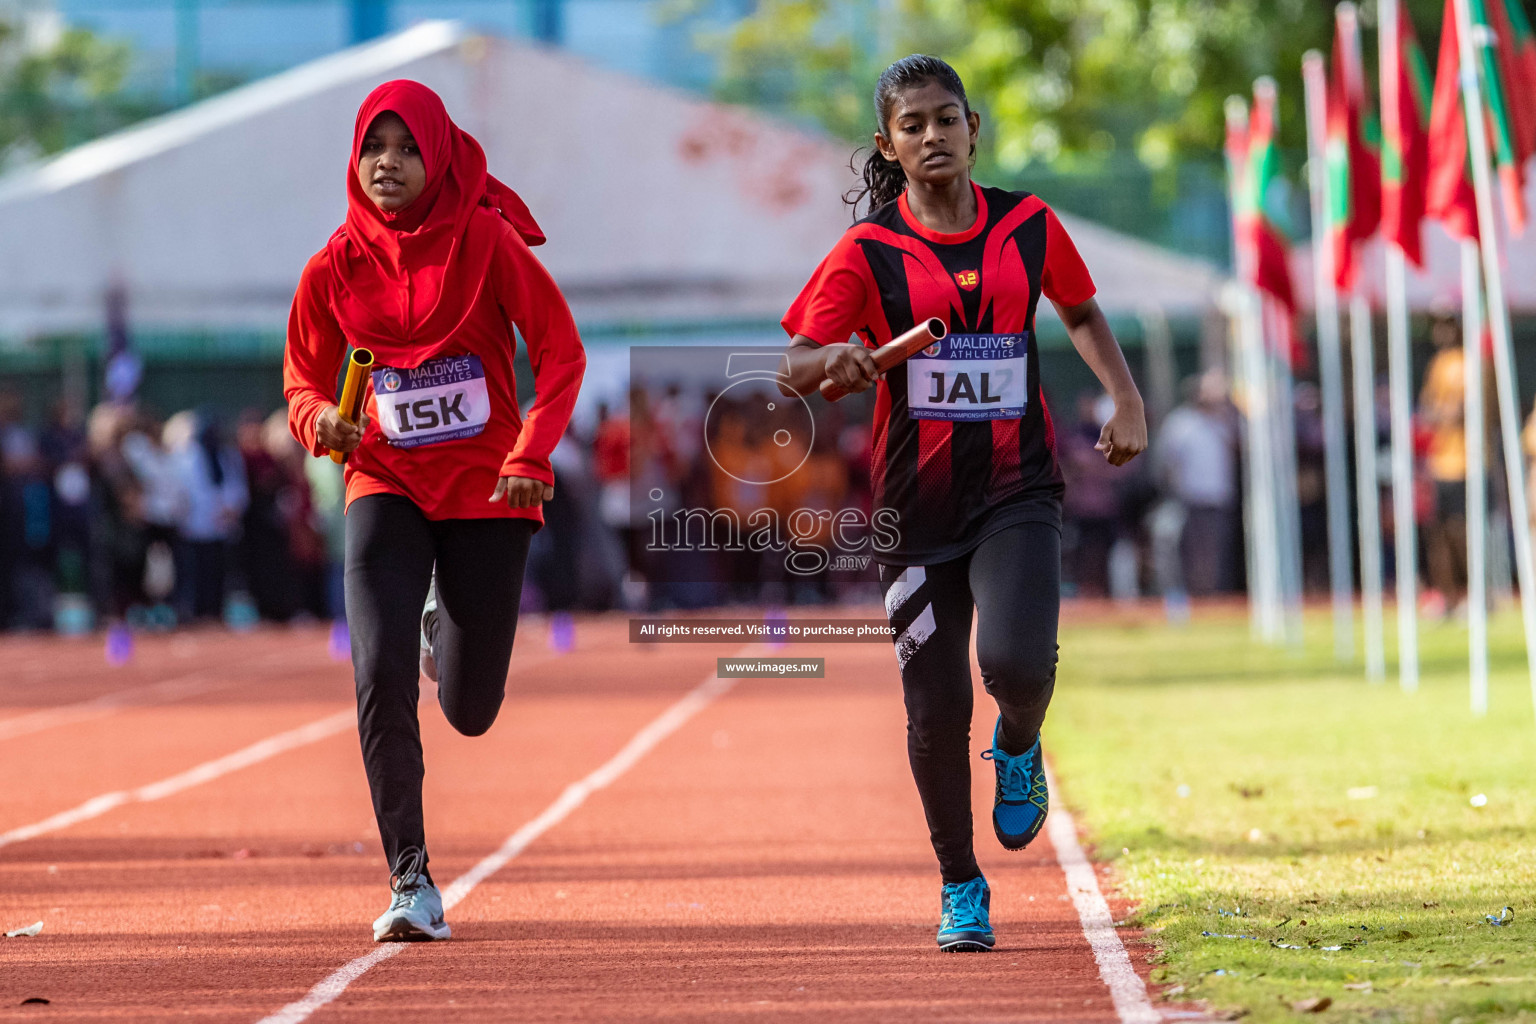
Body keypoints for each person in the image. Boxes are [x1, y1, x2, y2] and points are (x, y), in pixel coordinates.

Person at [777, 55, 1146, 952]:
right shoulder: (867, 255)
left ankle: (1018, 743)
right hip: (913, 512)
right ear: (888, 145)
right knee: (935, 708)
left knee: (1016, 664)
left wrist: (1126, 398)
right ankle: (960, 884)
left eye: (947, 118)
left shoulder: (1028, 224)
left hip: (1017, 486)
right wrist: (838, 361)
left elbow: (1083, 312)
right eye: (914, 125)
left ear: (973, 127)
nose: (933, 135)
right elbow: (794, 365)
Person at [283, 80, 585, 942]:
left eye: (408, 147)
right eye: (374, 147)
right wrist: (321, 421)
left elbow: (561, 354)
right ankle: (409, 878)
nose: (389, 163)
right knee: (376, 673)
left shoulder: (488, 243)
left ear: (439, 155)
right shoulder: (333, 266)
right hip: (384, 482)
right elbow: (301, 378)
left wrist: (528, 453)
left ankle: (439, 632)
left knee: (470, 709)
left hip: (489, 489)